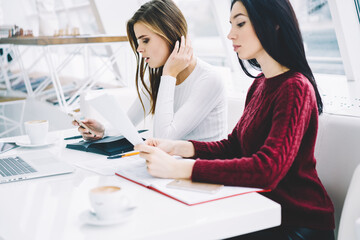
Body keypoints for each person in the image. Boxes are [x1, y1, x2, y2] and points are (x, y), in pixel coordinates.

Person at [134, 0, 335, 239]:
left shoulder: (295, 88)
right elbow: (234, 146)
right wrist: (178, 147)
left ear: (274, 24)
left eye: (240, 23)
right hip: (261, 210)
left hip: (298, 223)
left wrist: (179, 168)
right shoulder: (260, 84)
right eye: (230, 25)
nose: (230, 34)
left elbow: (267, 169)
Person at [74, 0, 227, 142]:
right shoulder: (160, 77)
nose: (139, 49)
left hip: (200, 168)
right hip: (172, 166)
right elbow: (128, 123)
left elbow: (162, 139)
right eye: (138, 42)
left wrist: (169, 74)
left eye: (145, 40)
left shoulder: (209, 79)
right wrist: (103, 130)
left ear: (170, 34)